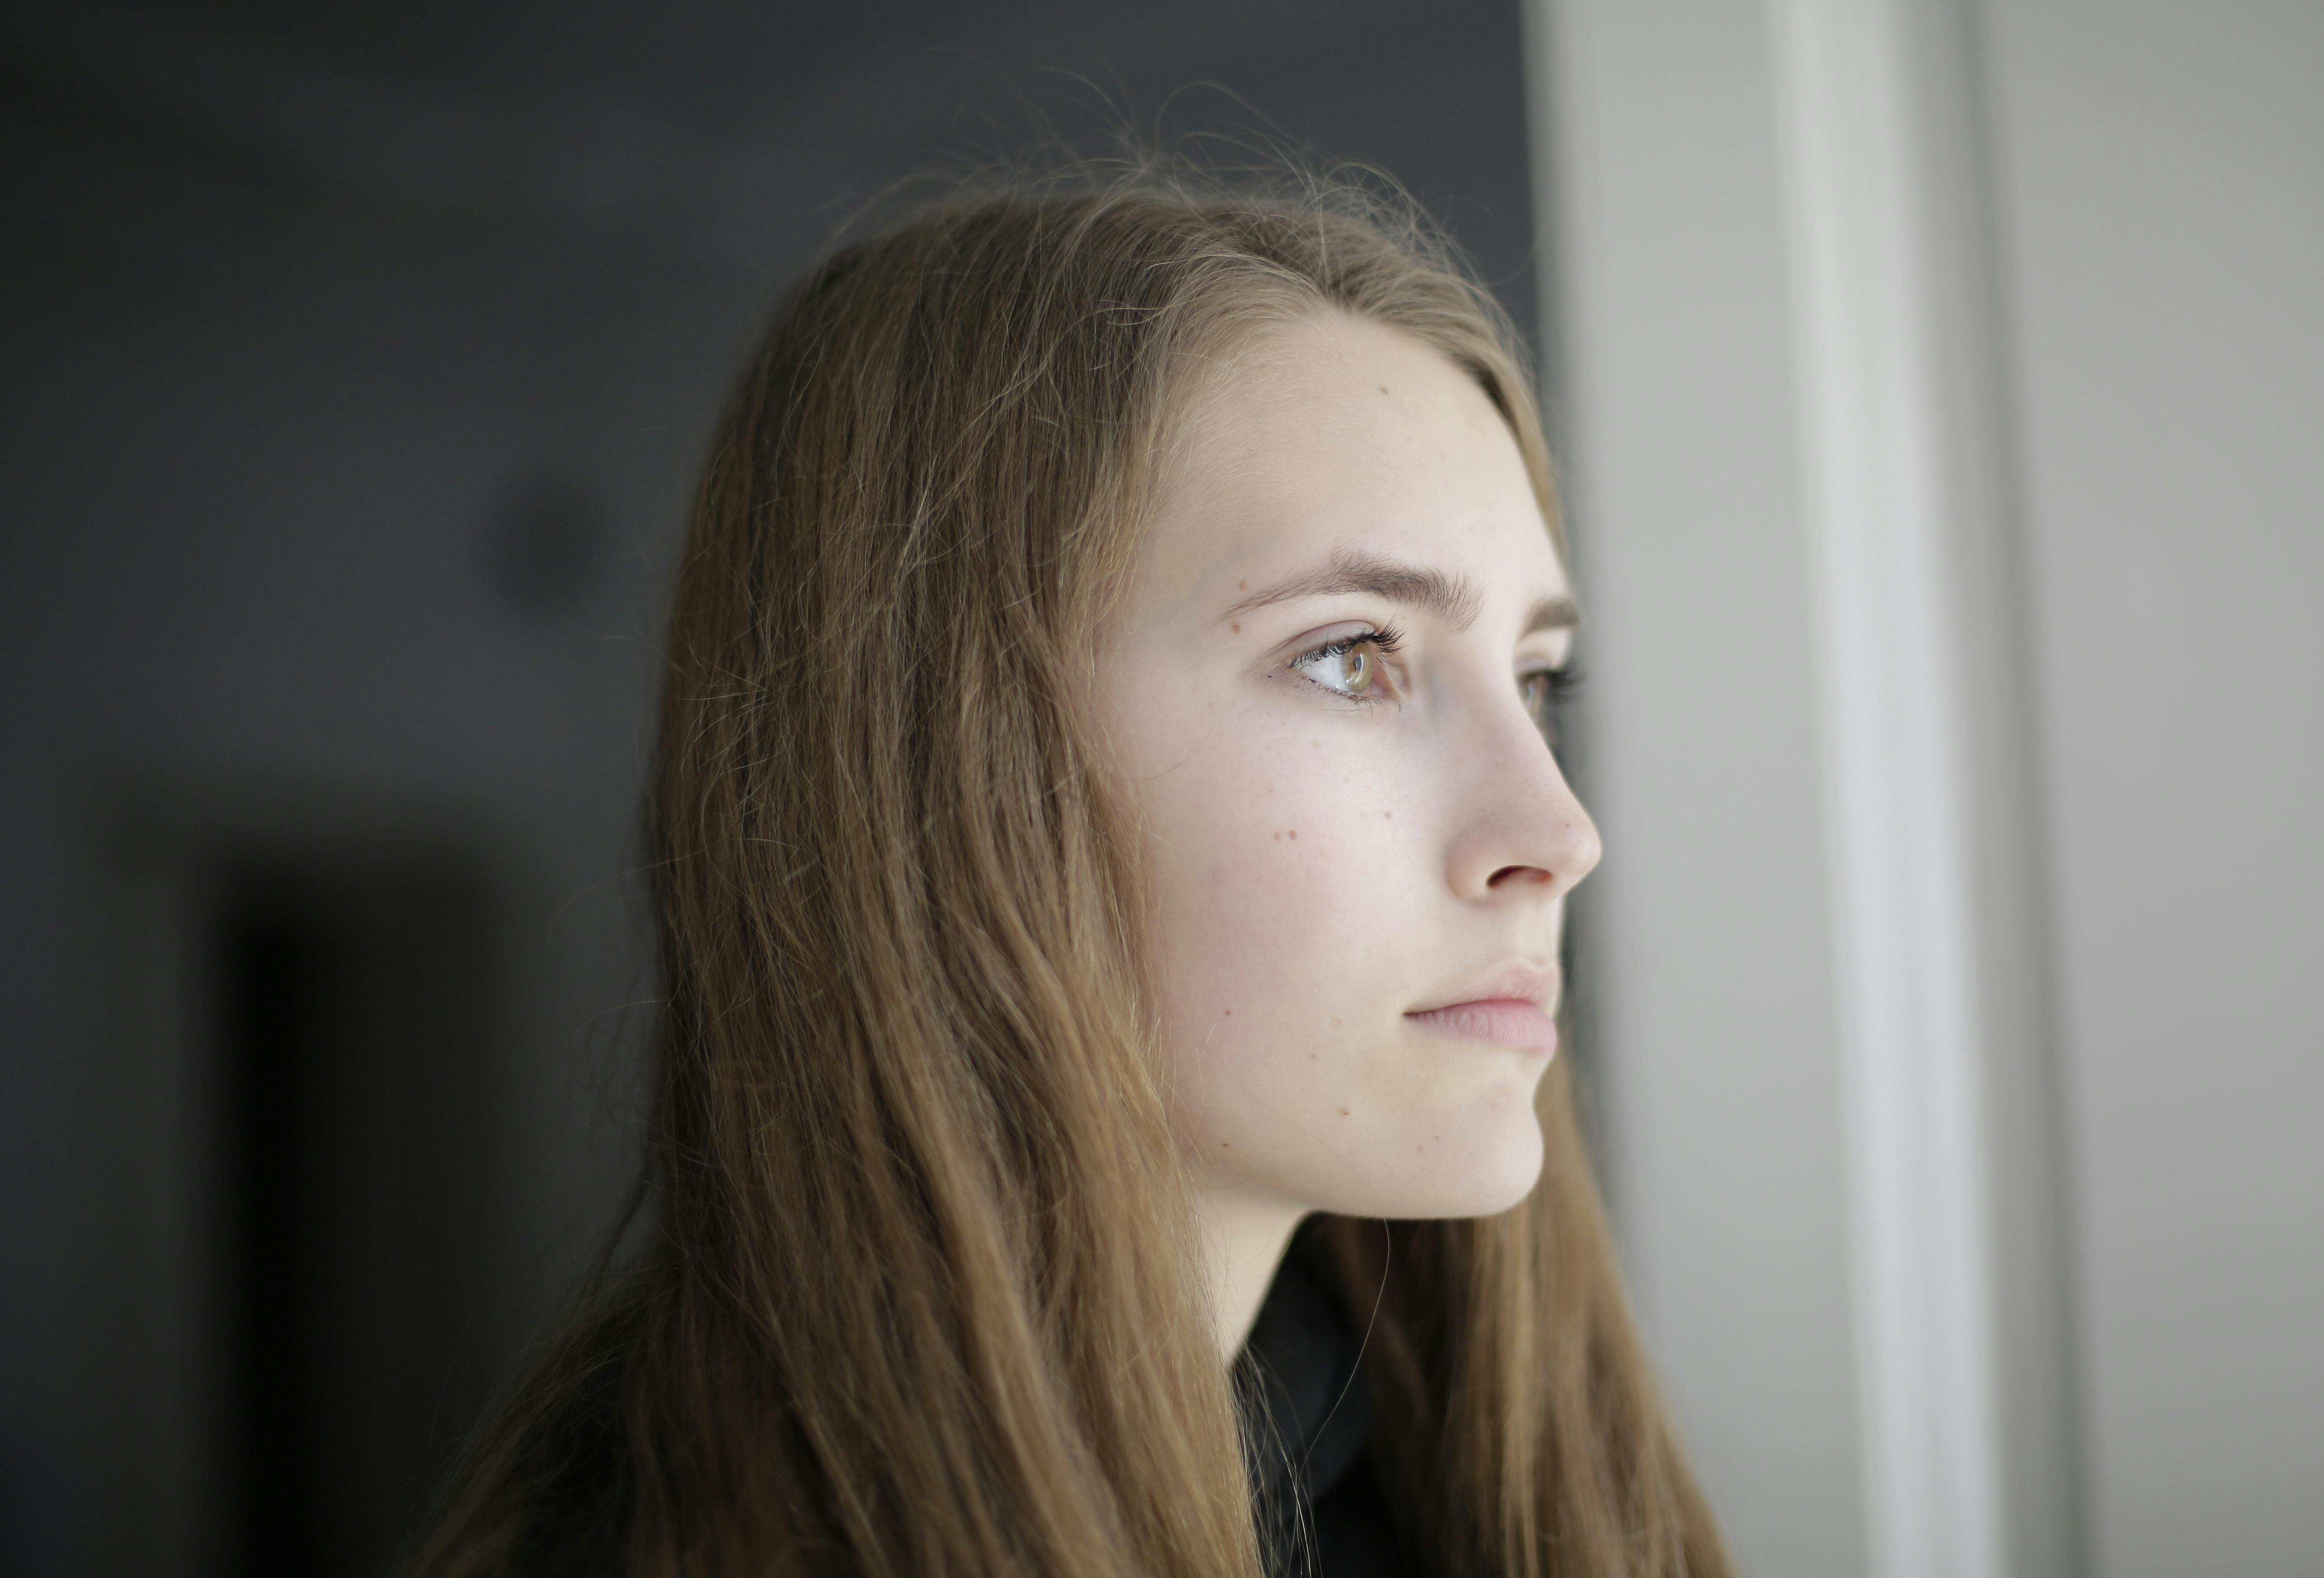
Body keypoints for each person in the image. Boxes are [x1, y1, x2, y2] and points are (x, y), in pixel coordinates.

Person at [407, 168, 1729, 1578]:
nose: (1559, 833)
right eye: (1351, 655)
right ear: (943, 757)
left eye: (1538, 679)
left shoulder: (1470, 1498)